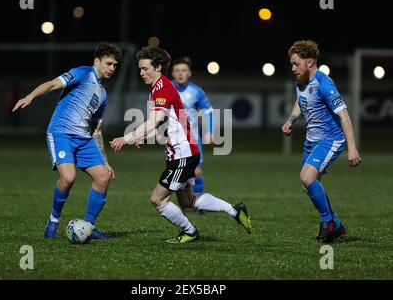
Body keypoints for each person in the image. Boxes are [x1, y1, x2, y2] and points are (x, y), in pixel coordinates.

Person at [110, 46, 252, 243]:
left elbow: (155, 119)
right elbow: (161, 121)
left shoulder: (163, 87)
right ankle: (234, 210)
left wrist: (126, 138)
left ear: (158, 67)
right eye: (140, 69)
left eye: (145, 68)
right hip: (182, 153)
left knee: (157, 199)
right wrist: (144, 136)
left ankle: (190, 231)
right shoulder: (158, 87)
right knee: (186, 201)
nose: (141, 73)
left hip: (182, 155)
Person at [13, 42, 122, 240]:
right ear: (97, 61)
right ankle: (53, 221)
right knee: (68, 178)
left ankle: (89, 226)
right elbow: (53, 84)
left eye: (115, 65)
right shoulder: (82, 73)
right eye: (108, 63)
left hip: (84, 138)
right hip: (61, 133)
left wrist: (104, 160)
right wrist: (31, 96)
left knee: (103, 176)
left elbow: (96, 129)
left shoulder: (103, 95)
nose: (112, 68)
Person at [281, 40, 361, 243]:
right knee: (307, 184)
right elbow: (301, 101)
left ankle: (329, 223)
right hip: (312, 141)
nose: (293, 68)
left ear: (310, 63)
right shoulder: (300, 80)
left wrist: (351, 148)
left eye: (296, 64)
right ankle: (336, 223)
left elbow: (344, 115)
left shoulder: (324, 84)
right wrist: (291, 120)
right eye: (291, 63)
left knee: (307, 178)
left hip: (330, 140)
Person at [171, 57, 214, 195]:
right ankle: (185, 201)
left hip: (192, 138)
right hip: (173, 140)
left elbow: (208, 111)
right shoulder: (167, 89)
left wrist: (209, 132)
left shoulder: (197, 91)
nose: (180, 73)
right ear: (172, 73)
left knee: (196, 172)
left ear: (189, 73)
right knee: (178, 173)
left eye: (183, 70)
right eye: (177, 70)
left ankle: (199, 200)